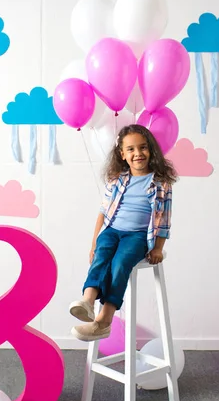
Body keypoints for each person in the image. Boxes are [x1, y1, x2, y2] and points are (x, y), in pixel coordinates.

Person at [69, 124, 177, 342]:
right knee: (101, 255)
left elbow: (164, 220)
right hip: (112, 230)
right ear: (122, 154)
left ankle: (103, 321)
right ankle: (88, 301)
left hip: (137, 236)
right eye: (131, 149)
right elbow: (102, 213)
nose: (138, 154)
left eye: (143, 148)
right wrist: (94, 244)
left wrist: (157, 248)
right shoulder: (117, 180)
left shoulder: (160, 183)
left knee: (120, 263)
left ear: (151, 150)